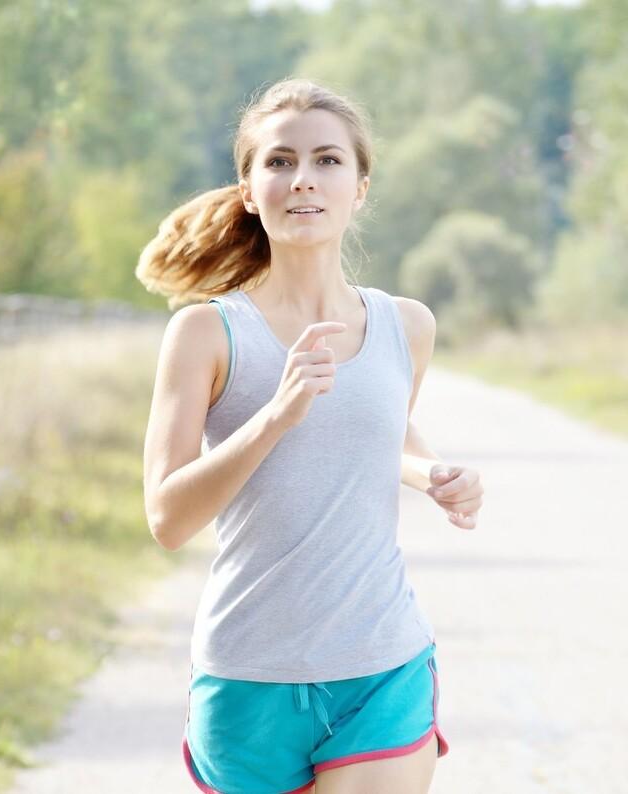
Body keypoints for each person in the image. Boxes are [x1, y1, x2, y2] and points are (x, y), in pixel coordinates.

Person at [138, 77, 485, 793]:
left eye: (328, 161)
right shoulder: (205, 333)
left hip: (381, 663)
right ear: (248, 187)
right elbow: (168, 518)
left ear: (360, 187)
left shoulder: (406, 326)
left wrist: (435, 474)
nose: (304, 179)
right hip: (248, 675)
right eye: (279, 161)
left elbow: (376, 436)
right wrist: (274, 415)